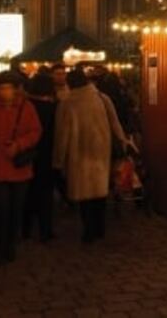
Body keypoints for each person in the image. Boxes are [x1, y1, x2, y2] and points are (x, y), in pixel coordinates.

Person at [0, 71, 42, 263]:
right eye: (1, 88)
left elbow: (35, 131)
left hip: (18, 168)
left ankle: (10, 245)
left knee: (15, 210)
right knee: (0, 209)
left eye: (8, 88)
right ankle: (0, 246)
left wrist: (19, 145)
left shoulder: (26, 107)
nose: (5, 92)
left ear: (15, 89)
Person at [53, 67, 124, 243]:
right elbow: (115, 123)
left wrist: (58, 160)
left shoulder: (67, 103)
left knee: (84, 196)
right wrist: (122, 143)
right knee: (100, 193)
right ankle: (100, 227)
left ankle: (89, 230)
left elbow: (62, 135)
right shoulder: (102, 97)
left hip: (79, 155)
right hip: (101, 152)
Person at [23, 72, 58, 242]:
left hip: (29, 153)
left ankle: (26, 228)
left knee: (28, 192)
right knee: (45, 194)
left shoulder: (26, 107)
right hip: (48, 154)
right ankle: (45, 229)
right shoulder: (54, 108)